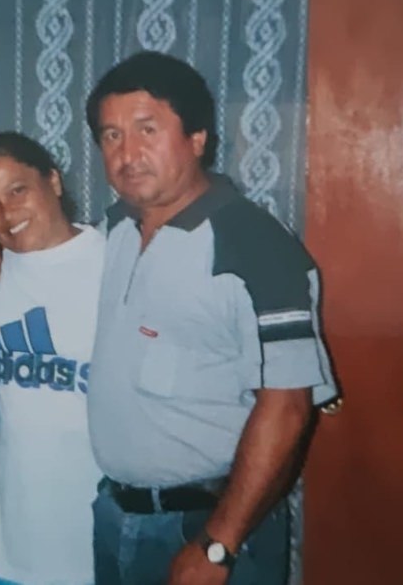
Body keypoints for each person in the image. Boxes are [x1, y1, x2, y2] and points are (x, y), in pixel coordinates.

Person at [85, 51, 338, 585]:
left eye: (147, 129)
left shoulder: (253, 246)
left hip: (207, 528)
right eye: (111, 136)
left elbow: (288, 408)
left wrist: (217, 546)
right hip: (116, 517)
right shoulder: (116, 230)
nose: (127, 153)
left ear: (197, 138)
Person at [0, 132, 103, 585]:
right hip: (14, 542)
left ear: (54, 181)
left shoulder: (112, 262)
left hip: (96, 533)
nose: (5, 214)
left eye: (17, 190)